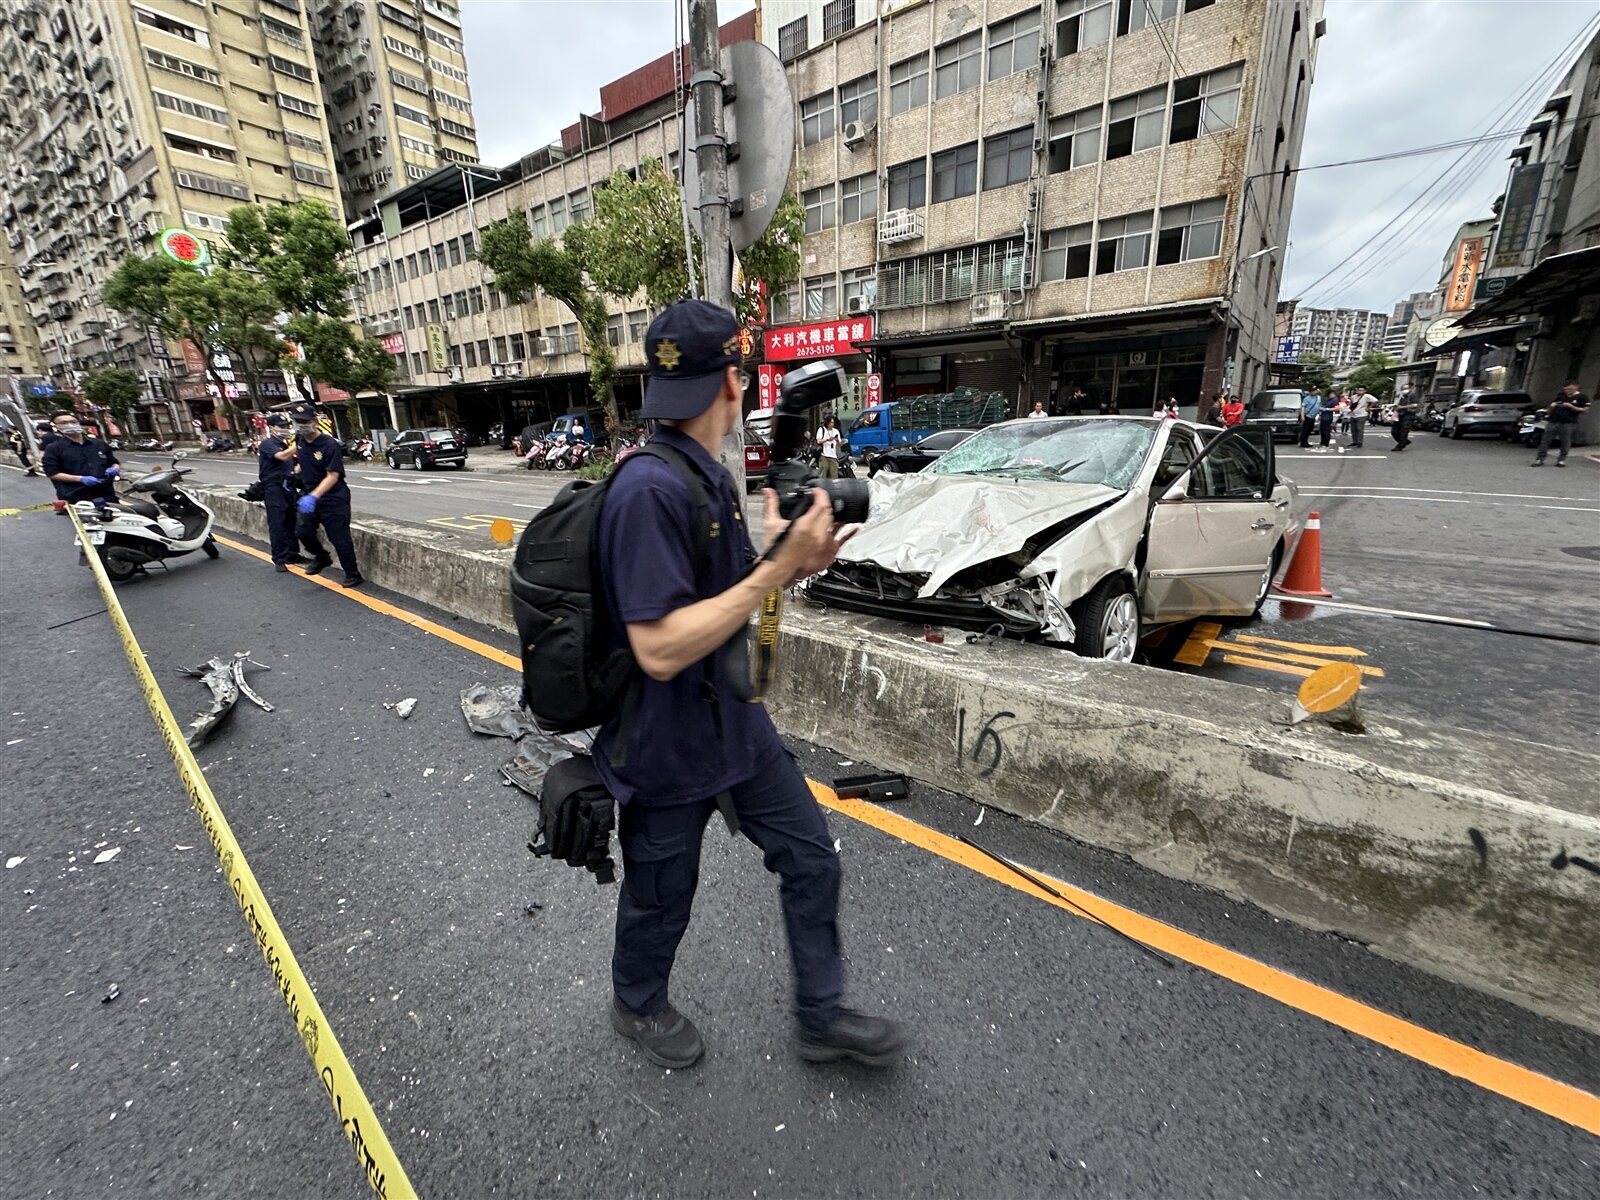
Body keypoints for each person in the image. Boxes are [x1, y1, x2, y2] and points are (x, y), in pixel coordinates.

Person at [597, 299, 904, 1071]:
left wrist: (786, 562)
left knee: (811, 858)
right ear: (734, 382)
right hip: (665, 744)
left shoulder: (708, 475)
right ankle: (636, 1002)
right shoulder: (647, 491)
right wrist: (775, 567)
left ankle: (821, 1015)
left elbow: (726, 603)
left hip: (734, 727)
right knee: (662, 899)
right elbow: (661, 647)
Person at [287, 402, 363, 587]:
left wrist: (315, 496)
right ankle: (322, 557)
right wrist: (293, 473)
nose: (300, 424)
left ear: (314, 421)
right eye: (296, 421)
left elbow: (333, 475)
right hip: (307, 493)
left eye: (304, 421)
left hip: (332, 496)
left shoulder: (329, 445)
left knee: (339, 537)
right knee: (302, 532)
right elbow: (302, 462)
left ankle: (352, 573)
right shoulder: (300, 440)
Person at [257, 412, 305, 572]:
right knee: (277, 523)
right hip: (273, 488)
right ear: (271, 428)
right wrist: (298, 446)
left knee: (291, 521)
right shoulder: (268, 444)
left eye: (287, 426)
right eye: (281, 427)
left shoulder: (284, 445)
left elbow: (294, 467)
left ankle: (292, 553)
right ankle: (279, 558)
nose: (285, 429)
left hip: (288, 486)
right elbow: (282, 457)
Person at [42, 413, 121, 507]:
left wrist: (115, 468)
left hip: (105, 494)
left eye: (73, 422)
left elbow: (114, 462)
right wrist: (80, 479)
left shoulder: (98, 444)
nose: (70, 425)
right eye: (64, 423)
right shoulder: (54, 448)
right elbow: (52, 473)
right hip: (76, 496)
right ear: (56, 426)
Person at [1532, 381, 1591, 467]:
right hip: (1553, 421)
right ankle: (1539, 459)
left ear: (1576, 387)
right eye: (1565, 389)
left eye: (1569, 389)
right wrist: (1551, 407)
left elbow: (1585, 410)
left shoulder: (1582, 397)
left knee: (1565, 441)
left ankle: (1561, 460)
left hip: (1568, 422)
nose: (1567, 391)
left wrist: (1571, 406)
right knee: (1545, 440)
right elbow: (1550, 408)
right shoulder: (1561, 396)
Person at [1391, 386, 1419, 450]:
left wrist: (1402, 407)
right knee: (1394, 431)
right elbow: (1398, 405)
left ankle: (1400, 445)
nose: (1405, 390)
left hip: (1408, 415)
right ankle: (1404, 442)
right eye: (1403, 389)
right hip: (1399, 415)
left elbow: (1415, 405)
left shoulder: (1412, 395)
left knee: (1404, 431)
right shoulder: (1401, 396)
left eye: (1406, 388)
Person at [816, 413, 843, 479]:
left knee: (834, 476)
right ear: (827, 423)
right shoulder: (822, 429)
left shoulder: (836, 431)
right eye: (831, 422)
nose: (832, 424)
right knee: (822, 475)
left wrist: (837, 440)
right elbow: (818, 441)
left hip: (833, 456)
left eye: (833, 423)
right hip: (824, 455)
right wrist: (827, 439)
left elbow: (840, 444)